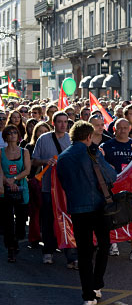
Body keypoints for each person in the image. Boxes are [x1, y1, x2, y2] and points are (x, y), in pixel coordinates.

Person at [57, 121, 117, 305]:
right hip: (98, 207)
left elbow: (63, 183)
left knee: (84, 253)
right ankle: (97, 284)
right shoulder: (92, 152)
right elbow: (111, 176)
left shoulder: (63, 157)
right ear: (89, 136)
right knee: (104, 245)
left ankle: (88, 296)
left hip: (77, 209)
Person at [32, 111, 78, 267]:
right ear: (53, 123)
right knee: (49, 220)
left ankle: (71, 256)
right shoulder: (43, 139)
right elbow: (34, 160)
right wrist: (46, 161)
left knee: (67, 220)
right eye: (60, 121)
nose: (63, 125)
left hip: (67, 189)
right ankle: (48, 251)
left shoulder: (72, 139)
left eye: (65, 121)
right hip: (48, 188)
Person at [100, 118, 132, 261]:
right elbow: (99, 164)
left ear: (130, 129)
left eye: (126, 127)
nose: (123, 130)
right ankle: (113, 243)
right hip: (113, 186)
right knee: (113, 215)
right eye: (120, 128)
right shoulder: (106, 146)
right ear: (114, 129)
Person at [1, 124, 31, 262]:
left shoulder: (24, 151)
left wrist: (13, 179)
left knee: (21, 221)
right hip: (5, 190)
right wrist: (7, 182)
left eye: (15, 132)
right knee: (7, 221)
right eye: (9, 133)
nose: (12, 135)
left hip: (21, 188)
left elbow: (27, 171)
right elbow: (0, 170)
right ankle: (11, 248)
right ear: (5, 137)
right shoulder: (1, 152)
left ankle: (17, 239)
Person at [25, 121, 51, 249]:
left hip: (50, 183)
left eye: (45, 131)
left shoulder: (53, 146)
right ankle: (35, 237)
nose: (43, 134)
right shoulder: (29, 147)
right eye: (40, 131)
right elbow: (27, 167)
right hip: (34, 183)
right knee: (35, 211)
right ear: (35, 133)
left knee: (48, 211)